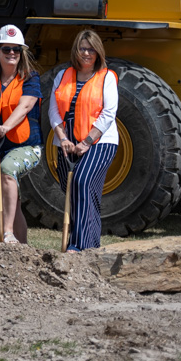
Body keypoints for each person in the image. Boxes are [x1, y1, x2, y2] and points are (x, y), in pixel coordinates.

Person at [48, 30, 118, 251]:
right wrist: (63, 138)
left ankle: (79, 247)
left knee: (82, 182)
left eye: (91, 49)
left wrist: (87, 141)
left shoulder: (106, 77)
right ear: (75, 50)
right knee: (75, 189)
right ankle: (90, 245)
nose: (86, 53)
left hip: (99, 141)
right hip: (67, 142)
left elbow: (109, 113)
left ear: (98, 52)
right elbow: (53, 110)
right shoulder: (62, 75)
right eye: (82, 48)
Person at [0, 24, 43, 244]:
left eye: (16, 49)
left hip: (27, 147)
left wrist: (6, 127)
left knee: (7, 170)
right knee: (9, 201)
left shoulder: (31, 78)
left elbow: (25, 106)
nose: (12, 53)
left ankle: (7, 235)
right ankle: (22, 250)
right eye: (6, 49)